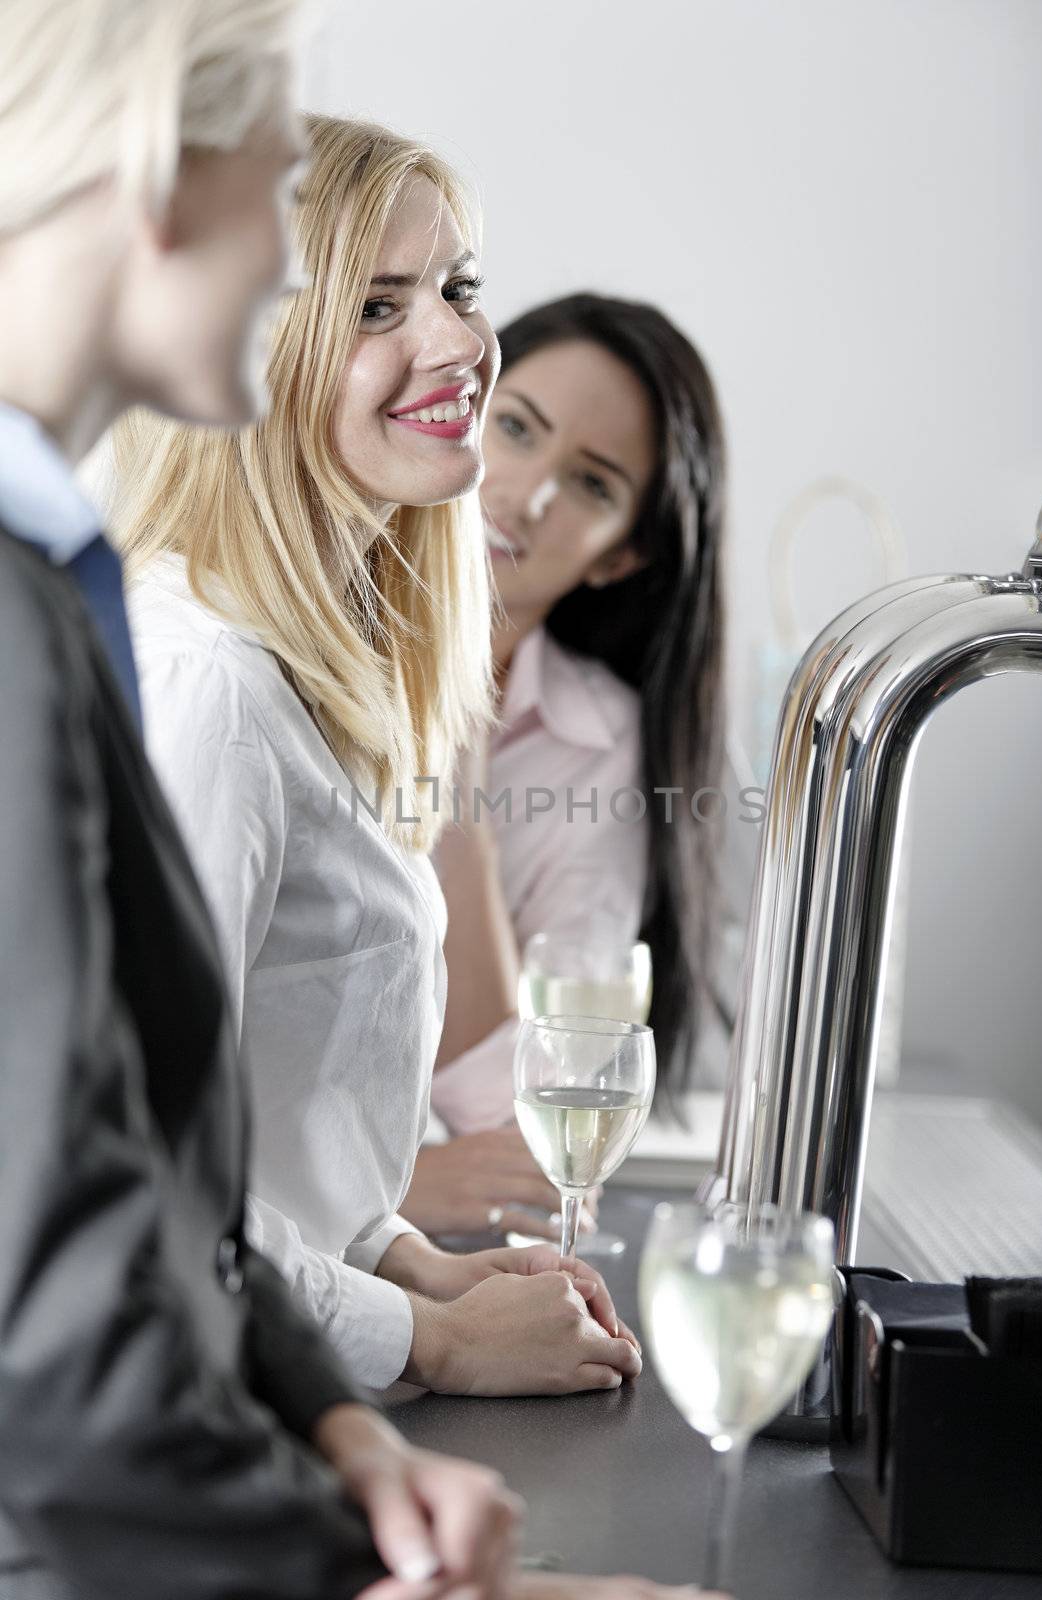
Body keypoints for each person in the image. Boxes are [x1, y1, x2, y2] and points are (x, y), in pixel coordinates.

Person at [0, 4, 534, 1598]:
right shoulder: (153, 660)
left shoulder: (71, 600)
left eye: (446, 287)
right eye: (280, 204)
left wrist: (341, 1414)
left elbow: (152, 1149)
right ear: (167, 181)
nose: (280, 265)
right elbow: (58, 1274)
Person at [110, 117, 642, 1399]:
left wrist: (405, 1263)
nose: (460, 343)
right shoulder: (208, 694)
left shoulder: (309, 677)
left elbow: (271, 1141)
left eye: (457, 290)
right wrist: (436, 1341)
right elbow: (134, 1189)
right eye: (376, 305)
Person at [401, 293, 758, 1241]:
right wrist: (387, 1189)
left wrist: (459, 790)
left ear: (620, 556)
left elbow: (534, 1127)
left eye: (592, 486)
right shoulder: (275, 641)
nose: (526, 494)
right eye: (515, 427)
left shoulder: (601, 740)